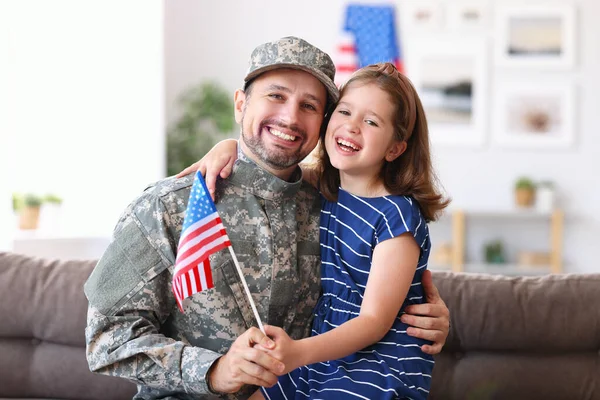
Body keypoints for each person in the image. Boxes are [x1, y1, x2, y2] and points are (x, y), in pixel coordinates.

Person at [83, 36, 450, 400]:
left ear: (322, 123)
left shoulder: (328, 202)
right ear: (241, 104)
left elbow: (375, 296)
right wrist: (213, 370)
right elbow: (105, 339)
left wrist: (423, 318)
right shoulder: (168, 206)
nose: (290, 117)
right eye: (275, 96)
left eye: (309, 105)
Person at [182, 62, 449, 399]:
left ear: (395, 148)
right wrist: (228, 146)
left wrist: (297, 353)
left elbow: (374, 321)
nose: (352, 127)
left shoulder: (397, 215)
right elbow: (269, 163)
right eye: (345, 112)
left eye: (371, 121)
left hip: (376, 361)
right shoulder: (326, 186)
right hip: (322, 346)